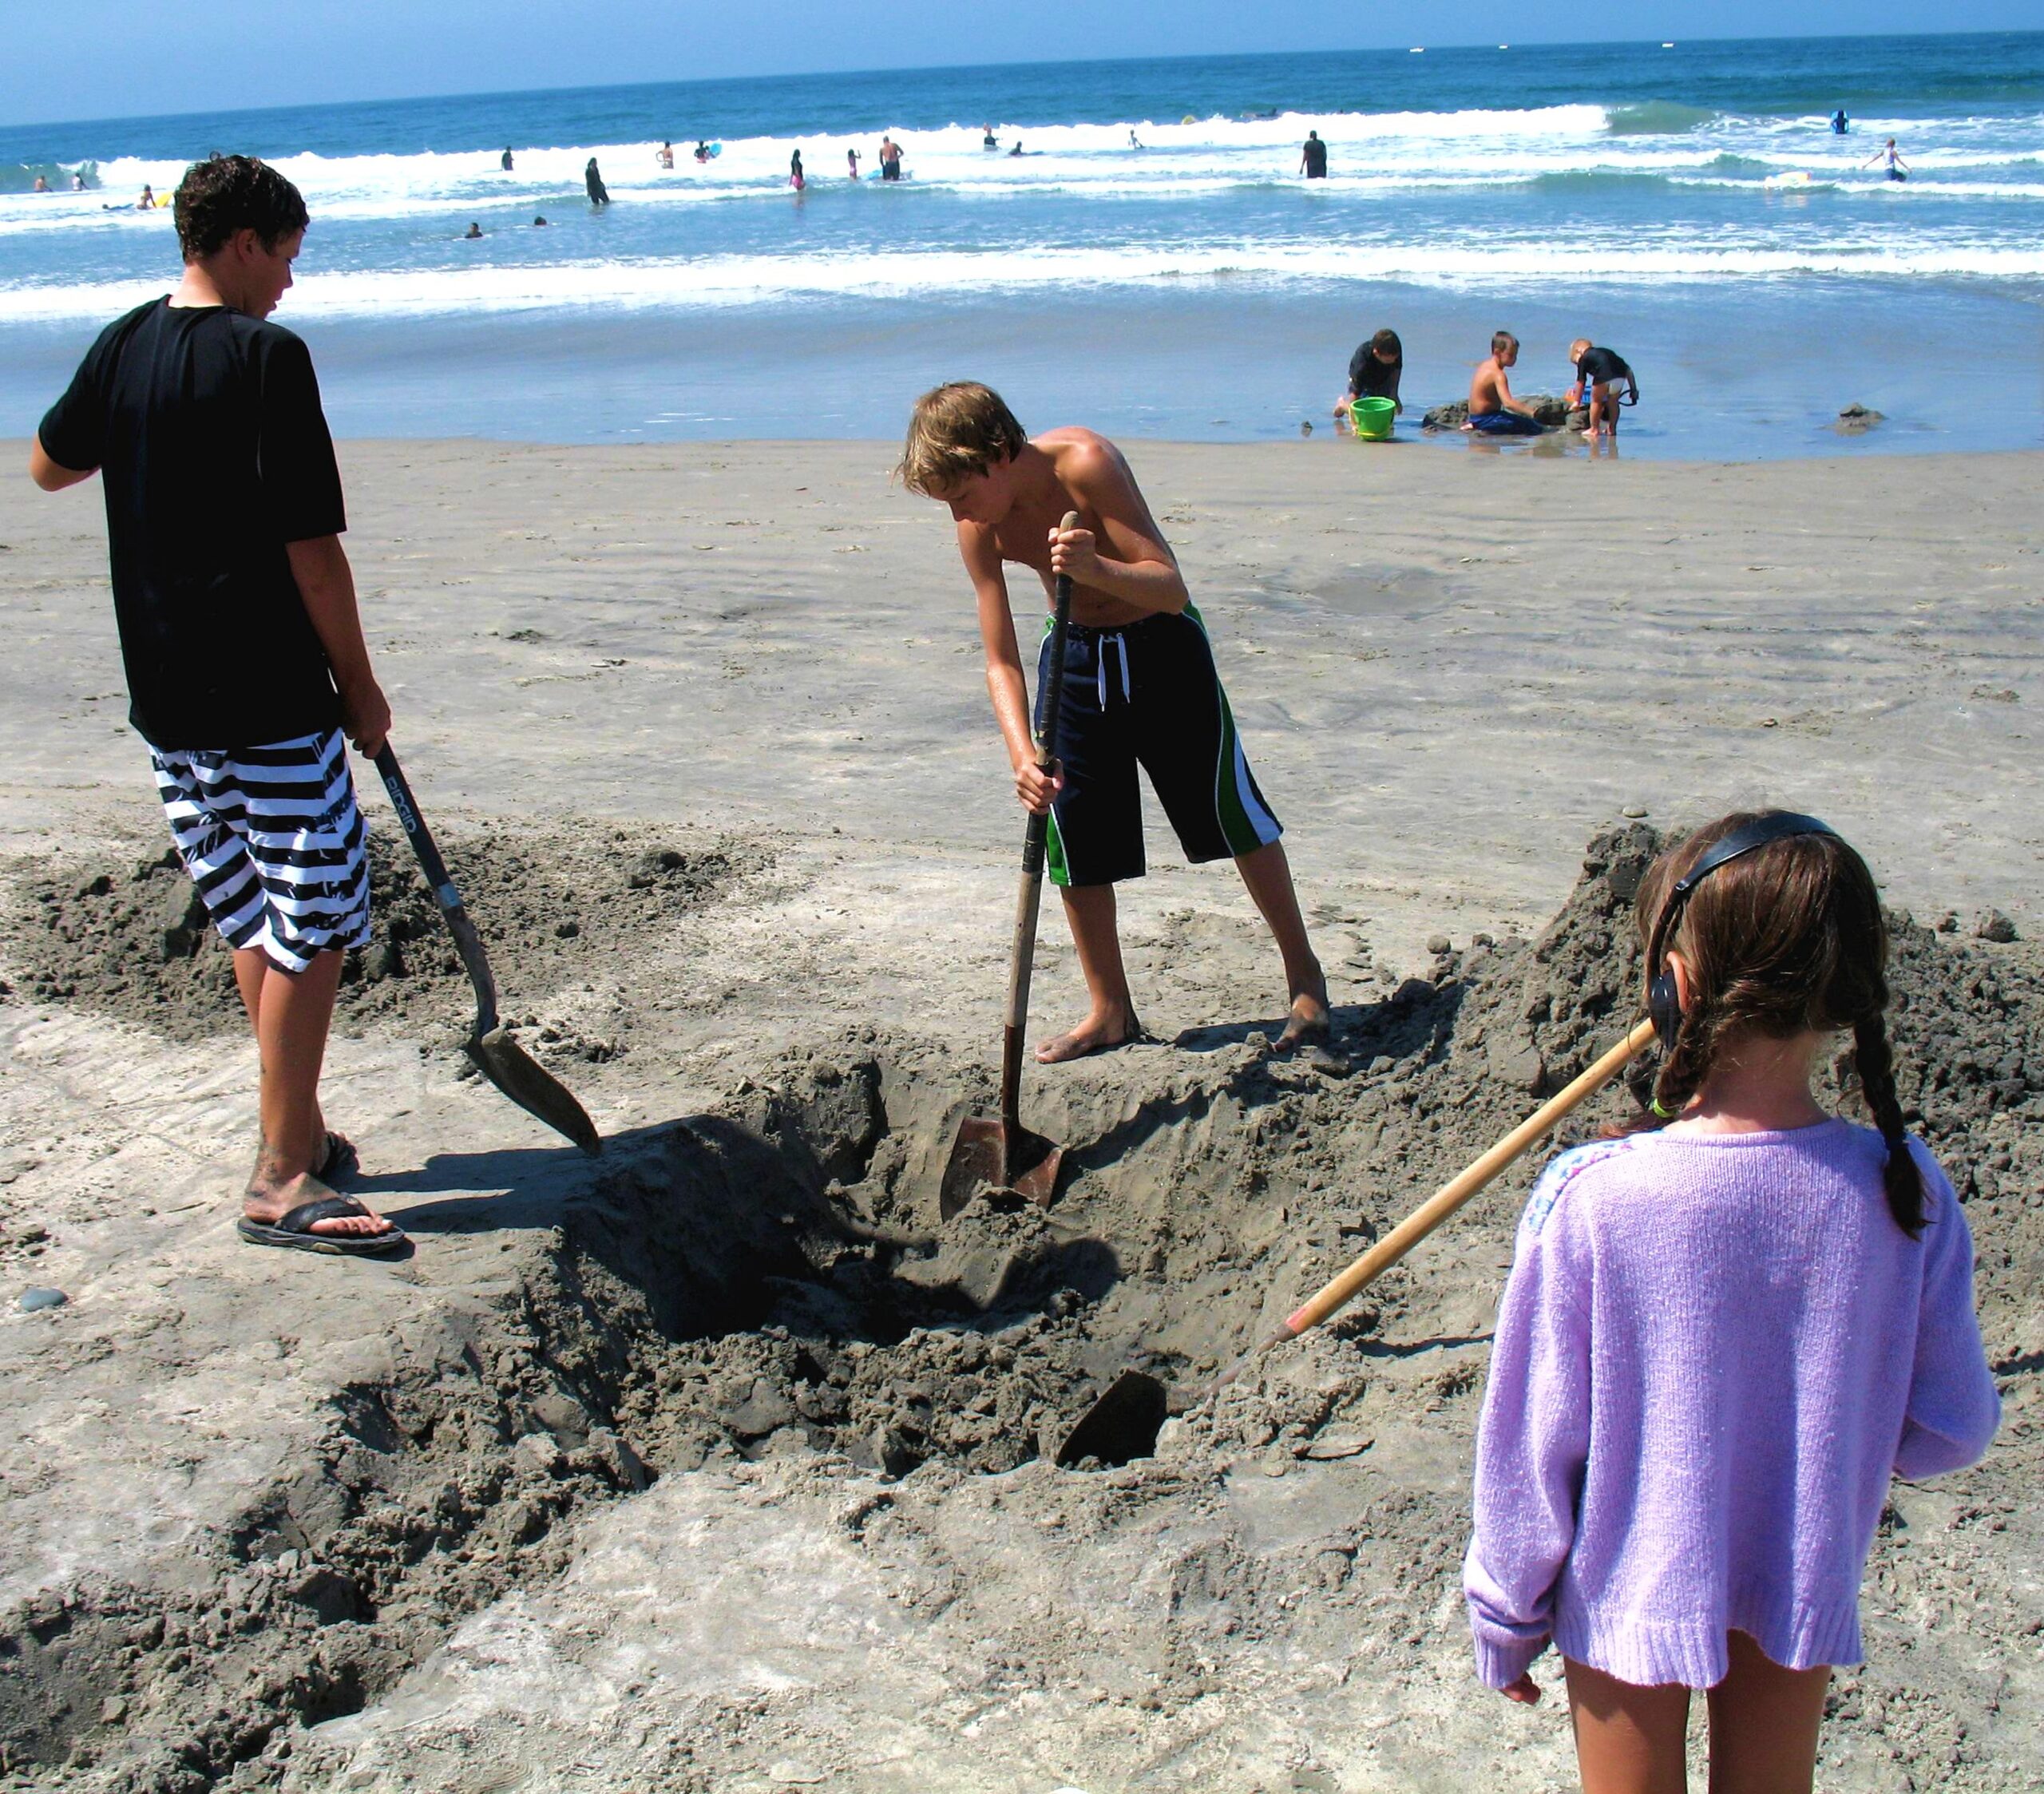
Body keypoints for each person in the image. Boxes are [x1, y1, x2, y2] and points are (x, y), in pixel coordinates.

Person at [1464, 810, 1998, 1794]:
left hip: (1627, 1590)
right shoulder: (1904, 1187)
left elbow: (1533, 1448)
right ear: (1848, 990)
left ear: (1671, 986)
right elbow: (1953, 1427)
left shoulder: (1593, 1197)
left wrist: (1506, 1614)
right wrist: (1828, 1436)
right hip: (1800, 1575)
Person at [27, 152, 402, 1255]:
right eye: (284, 256)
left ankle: (299, 1129)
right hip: (266, 692)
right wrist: (360, 685)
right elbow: (312, 549)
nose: (289, 281)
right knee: (316, 918)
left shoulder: (126, 343)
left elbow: (49, 465)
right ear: (243, 242)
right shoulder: (266, 357)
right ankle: (281, 1175)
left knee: (251, 911)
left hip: (166, 697)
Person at [898, 382, 1332, 1063]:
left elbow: (1170, 586)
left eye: (961, 494)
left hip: (1163, 648)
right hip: (1073, 660)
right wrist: (1021, 754)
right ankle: (1110, 1010)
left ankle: (1305, 978)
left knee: (1231, 811)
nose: (958, 513)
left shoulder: (1087, 465)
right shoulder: (979, 526)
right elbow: (1000, 658)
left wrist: (1094, 566)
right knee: (1075, 833)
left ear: (998, 454)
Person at [1464, 330, 1545, 436]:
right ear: (1497, 353)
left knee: (1514, 419)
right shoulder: (1498, 374)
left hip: (1475, 416)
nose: (1515, 359)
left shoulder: (1485, 365)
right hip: (1487, 419)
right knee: (1532, 427)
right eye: (1511, 355)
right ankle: (1480, 428)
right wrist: (1531, 412)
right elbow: (1508, 403)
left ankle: (1475, 425)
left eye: (1516, 355)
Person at [1567, 338, 1635, 440]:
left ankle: (1594, 429)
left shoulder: (1584, 357)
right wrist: (1633, 390)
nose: (1578, 364)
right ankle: (1612, 429)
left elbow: (1581, 381)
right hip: (1620, 376)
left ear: (1578, 351)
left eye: (1576, 362)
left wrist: (1577, 402)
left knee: (1596, 401)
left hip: (1603, 376)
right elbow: (1628, 370)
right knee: (1613, 402)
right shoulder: (1606, 352)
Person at [1334, 327, 1403, 423]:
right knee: (1362, 412)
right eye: (1388, 360)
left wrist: (1394, 395)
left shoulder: (1394, 349)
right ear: (1376, 353)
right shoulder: (1362, 362)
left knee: (1388, 411)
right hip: (1363, 381)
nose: (1393, 361)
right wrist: (1354, 423)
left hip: (1383, 377)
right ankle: (1342, 405)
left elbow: (1396, 370)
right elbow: (1355, 395)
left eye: (1395, 358)